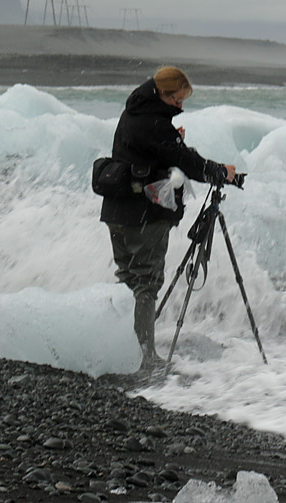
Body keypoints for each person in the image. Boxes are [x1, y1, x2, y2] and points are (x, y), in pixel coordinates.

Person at [100, 66, 235, 371]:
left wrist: (172, 142)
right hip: (144, 214)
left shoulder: (133, 114)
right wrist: (218, 171)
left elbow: (144, 153)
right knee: (147, 282)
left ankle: (119, 348)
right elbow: (187, 162)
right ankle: (145, 357)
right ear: (162, 94)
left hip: (116, 210)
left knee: (129, 279)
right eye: (177, 99)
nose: (181, 105)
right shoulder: (155, 124)